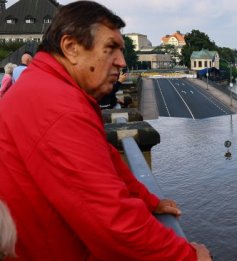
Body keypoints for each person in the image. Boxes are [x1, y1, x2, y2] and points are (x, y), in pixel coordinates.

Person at [0, 1, 211, 260]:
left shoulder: (47, 87)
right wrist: (188, 256)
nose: (122, 62)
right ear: (71, 48)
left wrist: (148, 200)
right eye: (111, 49)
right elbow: (113, 222)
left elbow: (103, 155)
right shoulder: (59, 107)